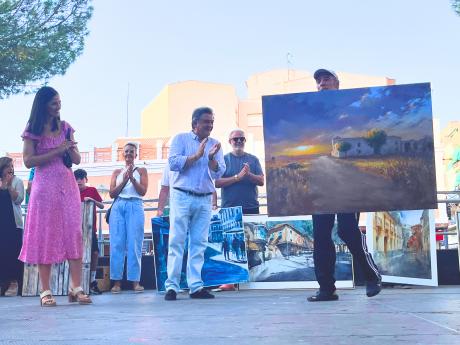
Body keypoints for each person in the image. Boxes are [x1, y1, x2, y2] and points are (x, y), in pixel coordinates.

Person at [307, 69, 382, 302]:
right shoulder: (313, 114)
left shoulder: (350, 109)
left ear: (337, 84)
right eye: (318, 81)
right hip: (322, 181)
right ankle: (326, 289)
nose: (322, 83)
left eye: (326, 79)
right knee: (320, 235)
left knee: (347, 230)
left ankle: (371, 276)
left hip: (349, 180)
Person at [19, 86, 92, 306]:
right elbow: (28, 161)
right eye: (53, 103)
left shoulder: (66, 128)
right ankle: (45, 290)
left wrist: (69, 149)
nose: (58, 106)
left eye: (59, 101)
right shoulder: (33, 129)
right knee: (46, 236)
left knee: (73, 232)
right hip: (44, 189)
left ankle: (76, 287)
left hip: (67, 188)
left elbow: (77, 160)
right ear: (43, 105)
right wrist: (56, 150)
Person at [164, 106, 225, 301]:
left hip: (205, 197)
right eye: (206, 122)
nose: (210, 125)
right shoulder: (180, 139)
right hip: (182, 195)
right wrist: (196, 156)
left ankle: (196, 286)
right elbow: (173, 163)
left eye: (212, 122)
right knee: (177, 241)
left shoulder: (215, 144)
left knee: (199, 243)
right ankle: (172, 286)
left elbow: (219, 173)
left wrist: (211, 160)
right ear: (194, 123)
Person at [109, 142, 148, 293]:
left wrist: (132, 178)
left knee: (135, 243)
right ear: (122, 154)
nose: (128, 154)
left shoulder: (142, 170)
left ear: (136, 154)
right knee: (117, 243)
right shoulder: (117, 172)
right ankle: (116, 282)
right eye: (126, 152)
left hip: (135, 205)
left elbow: (143, 191)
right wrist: (125, 178)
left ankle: (135, 282)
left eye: (131, 151)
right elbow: (112, 193)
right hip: (119, 206)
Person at [215, 129, 264, 214]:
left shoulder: (254, 159)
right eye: (235, 139)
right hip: (229, 209)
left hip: (251, 208)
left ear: (245, 141)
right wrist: (237, 177)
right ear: (230, 141)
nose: (239, 141)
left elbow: (261, 181)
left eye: (242, 139)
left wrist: (249, 174)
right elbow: (217, 183)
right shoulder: (223, 160)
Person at [74, 169, 104, 295]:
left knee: (95, 252)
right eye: (77, 178)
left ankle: (92, 281)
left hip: (90, 229)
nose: (79, 181)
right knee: (76, 256)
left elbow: (102, 205)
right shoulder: (71, 191)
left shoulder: (92, 190)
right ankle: (77, 283)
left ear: (86, 179)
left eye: (82, 178)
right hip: (74, 229)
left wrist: (92, 200)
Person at [0, 157, 24, 297]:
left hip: (13, 224)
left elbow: (19, 199)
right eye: (7, 166)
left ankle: (17, 283)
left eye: (12, 165)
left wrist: (9, 185)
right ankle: (3, 283)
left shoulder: (17, 181)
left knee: (15, 253)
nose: (10, 168)